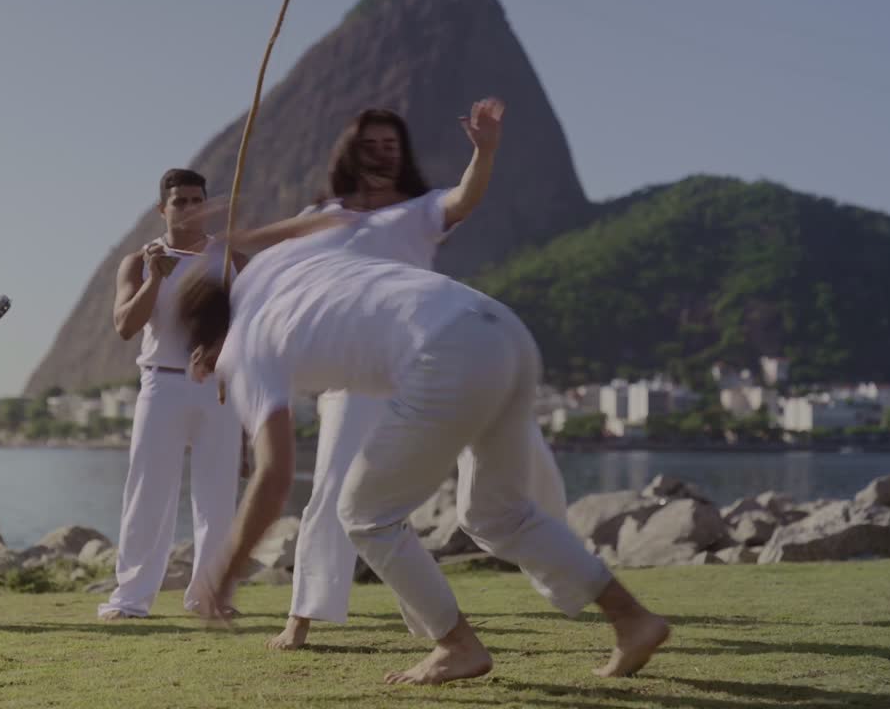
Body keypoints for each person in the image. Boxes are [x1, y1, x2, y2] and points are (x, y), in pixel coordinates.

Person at [176, 230, 670, 686]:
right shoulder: (276, 265)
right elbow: (330, 220)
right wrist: (230, 237)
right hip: (502, 329)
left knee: (364, 515)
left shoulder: (245, 346)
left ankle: (456, 645)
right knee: (497, 515)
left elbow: (275, 475)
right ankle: (633, 620)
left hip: (443, 351)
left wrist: (224, 575)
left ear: (204, 347)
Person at [269, 99, 570, 650]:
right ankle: (304, 615)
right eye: (372, 144)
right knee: (335, 486)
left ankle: (570, 575)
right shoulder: (326, 215)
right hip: (359, 368)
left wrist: (484, 151)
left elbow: (464, 199)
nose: (383, 153)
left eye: (392, 145)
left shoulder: (418, 210)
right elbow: (277, 257)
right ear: (351, 152)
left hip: (428, 358)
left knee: (522, 450)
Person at [97, 169, 246, 620]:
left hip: (217, 387)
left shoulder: (228, 259)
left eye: (196, 199)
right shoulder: (139, 262)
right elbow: (125, 326)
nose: (188, 208)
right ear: (162, 209)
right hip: (161, 384)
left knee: (217, 497)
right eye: (178, 201)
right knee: (148, 493)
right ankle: (130, 599)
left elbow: (251, 323)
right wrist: (155, 279)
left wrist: (219, 346)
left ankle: (209, 597)